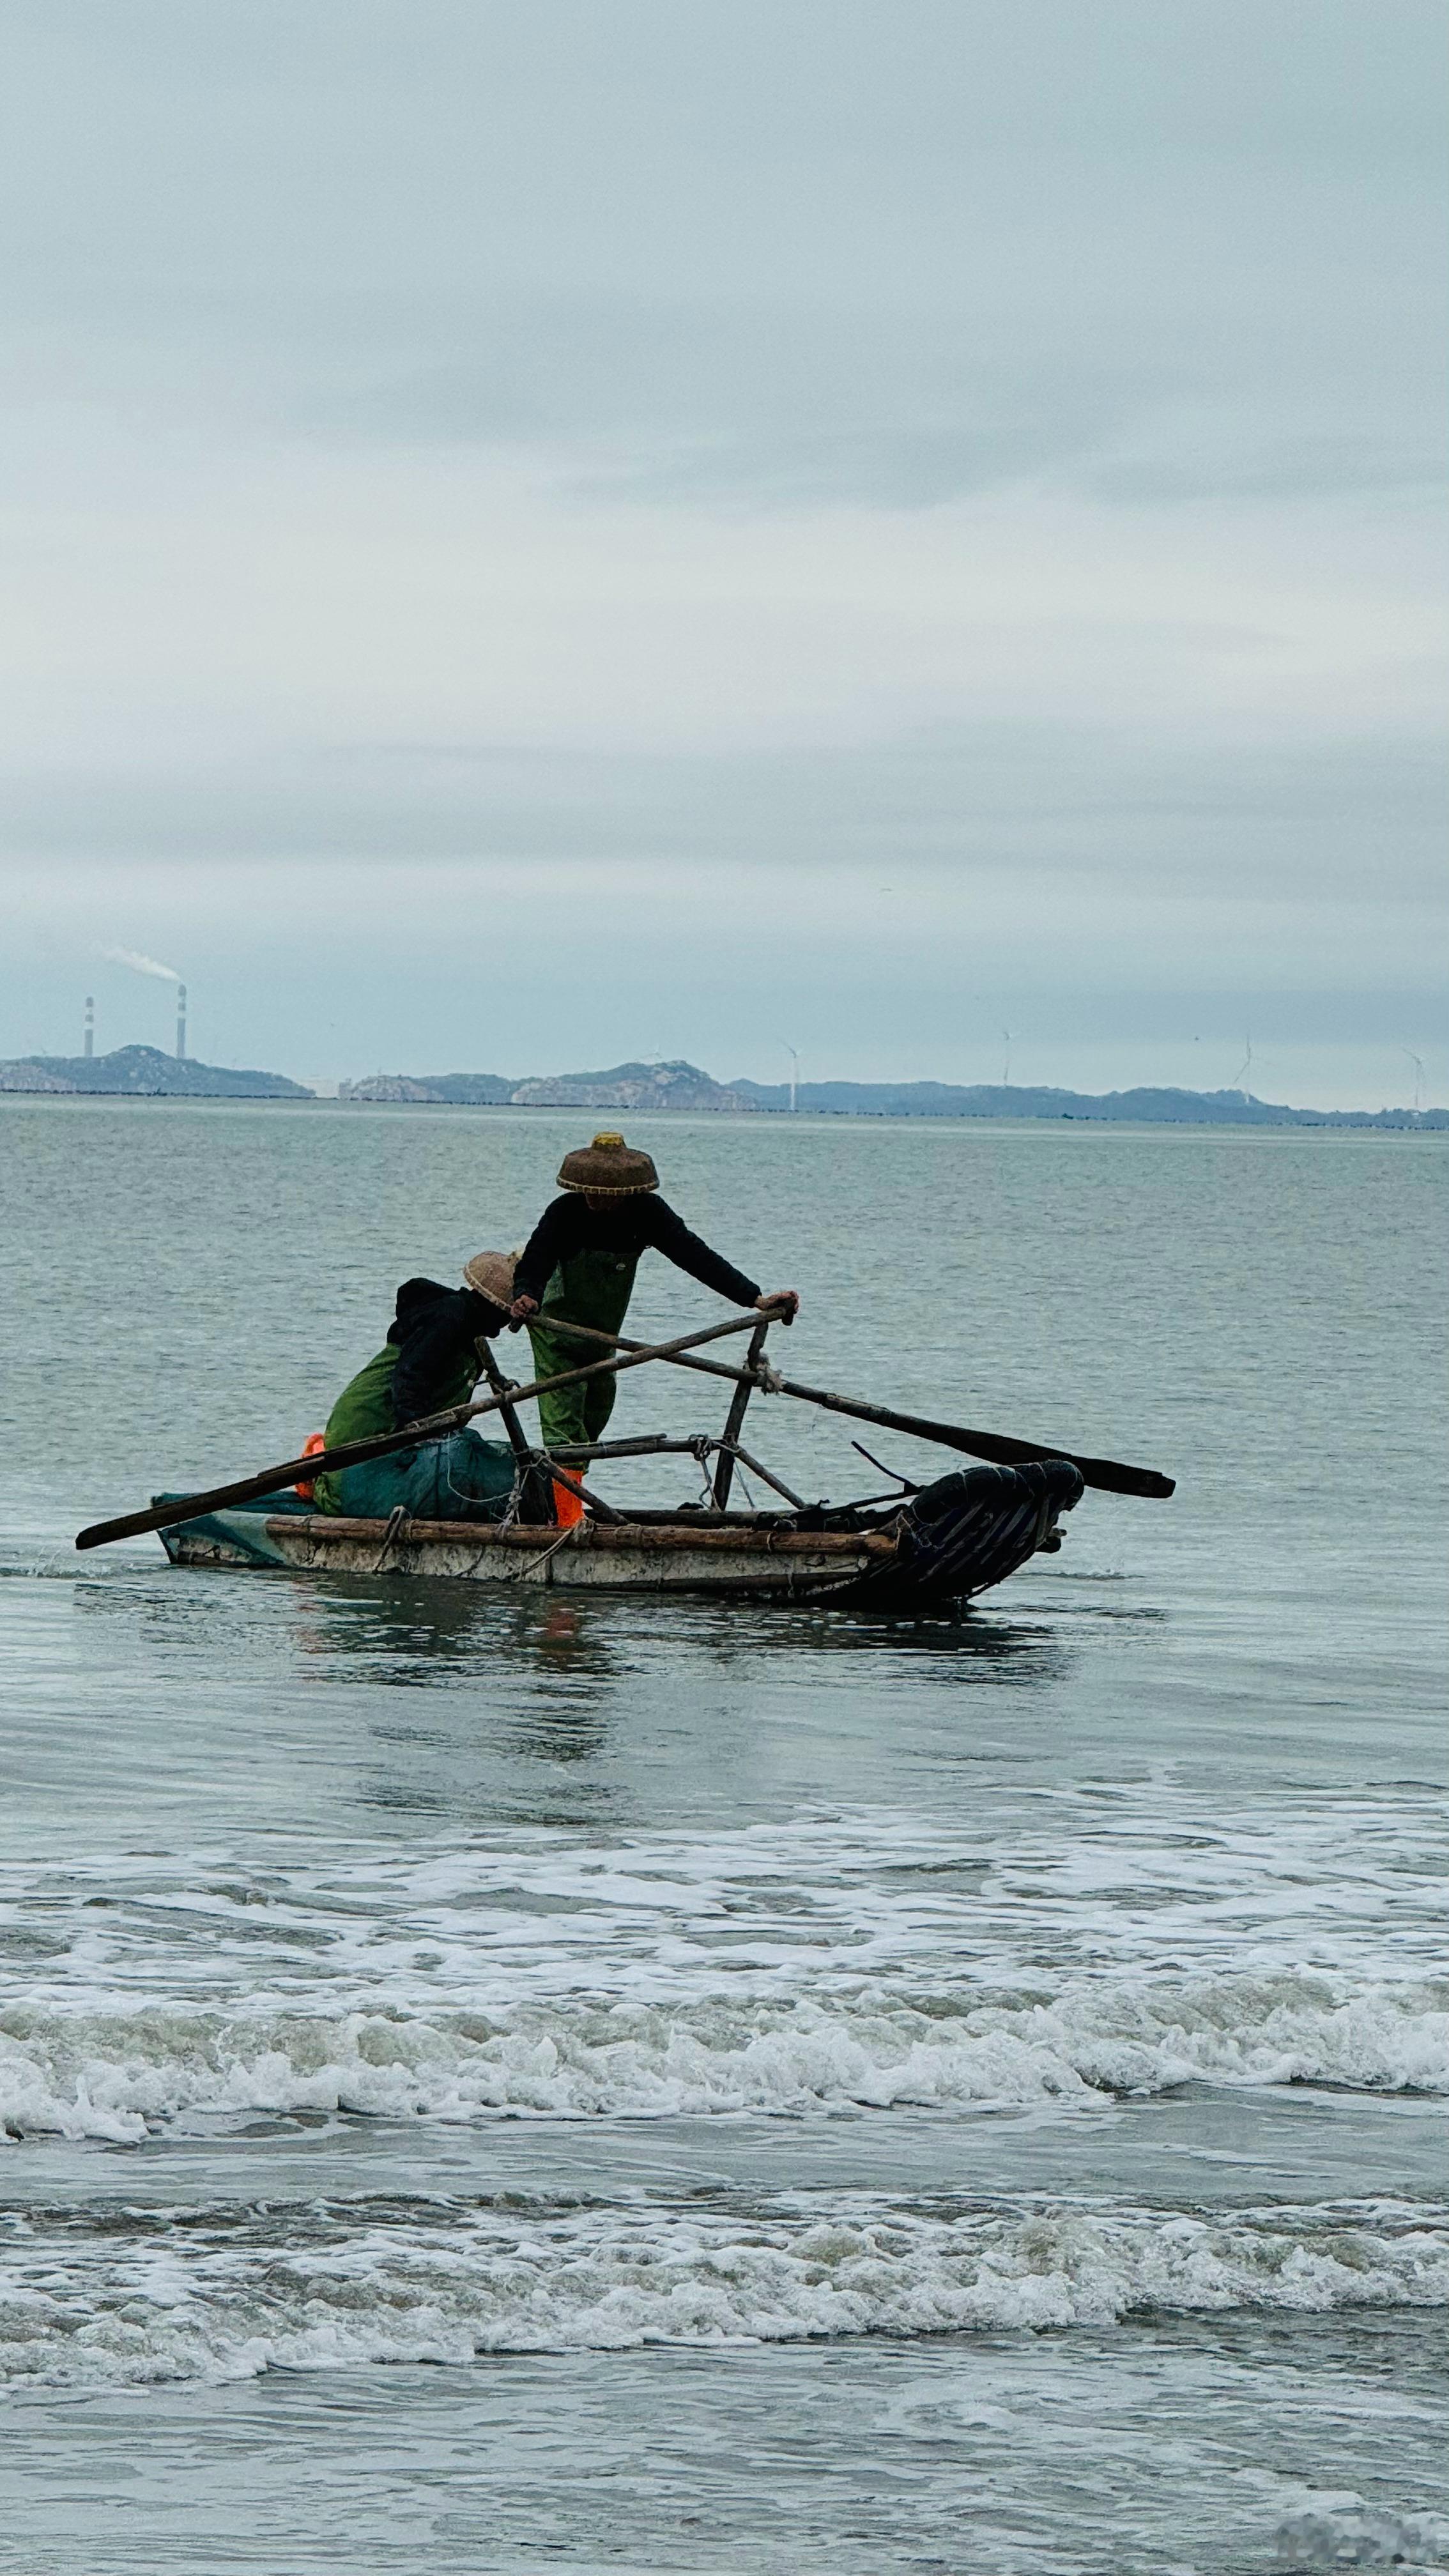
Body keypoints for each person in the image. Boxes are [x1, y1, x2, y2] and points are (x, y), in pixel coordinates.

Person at [508, 1133, 800, 1460]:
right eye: (587, 1189)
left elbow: (695, 1256)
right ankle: (565, 1512)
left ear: (623, 1191)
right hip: (556, 1329)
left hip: (603, 1331)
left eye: (601, 1192)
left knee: (595, 1416)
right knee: (562, 1423)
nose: (592, 1197)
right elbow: (536, 1259)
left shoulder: (647, 1213)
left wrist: (755, 1298)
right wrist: (527, 1295)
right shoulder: (565, 1212)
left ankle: (568, 1499)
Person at [312, 1252, 523, 1521]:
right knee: (352, 1489)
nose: (505, 1325)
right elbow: (411, 1376)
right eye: (506, 1315)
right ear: (494, 1308)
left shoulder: (468, 1329)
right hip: (372, 1424)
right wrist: (418, 1436)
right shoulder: (449, 1318)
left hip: (391, 1423)